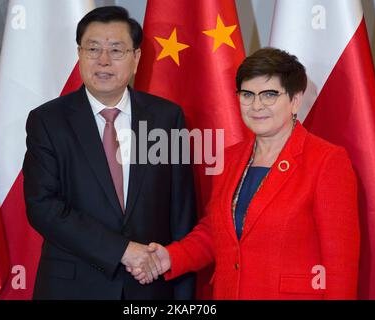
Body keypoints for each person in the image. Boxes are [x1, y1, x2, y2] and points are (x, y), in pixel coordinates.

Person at [130, 48, 361, 299]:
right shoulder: (231, 158)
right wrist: (170, 257)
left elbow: (341, 267)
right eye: (247, 95)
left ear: (295, 100)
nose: (256, 105)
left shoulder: (326, 160)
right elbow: (216, 232)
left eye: (269, 95)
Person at [22, 6, 196, 300]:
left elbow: (182, 214)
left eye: (116, 50)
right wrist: (122, 251)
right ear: (79, 54)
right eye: (93, 49)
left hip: (150, 289)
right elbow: (43, 207)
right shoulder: (48, 121)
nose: (103, 60)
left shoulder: (167, 119)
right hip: (72, 288)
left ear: (136, 57)